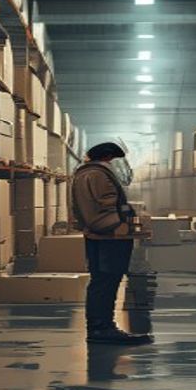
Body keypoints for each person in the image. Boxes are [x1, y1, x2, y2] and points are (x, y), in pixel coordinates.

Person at [71, 141, 152, 345]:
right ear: (108, 158)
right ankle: (102, 329)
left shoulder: (84, 173)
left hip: (96, 235)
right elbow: (107, 206)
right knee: (107, 281)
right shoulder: (98, 174)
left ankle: (101, 327)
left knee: (100, 282)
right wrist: (122, 224)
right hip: (109, 237)